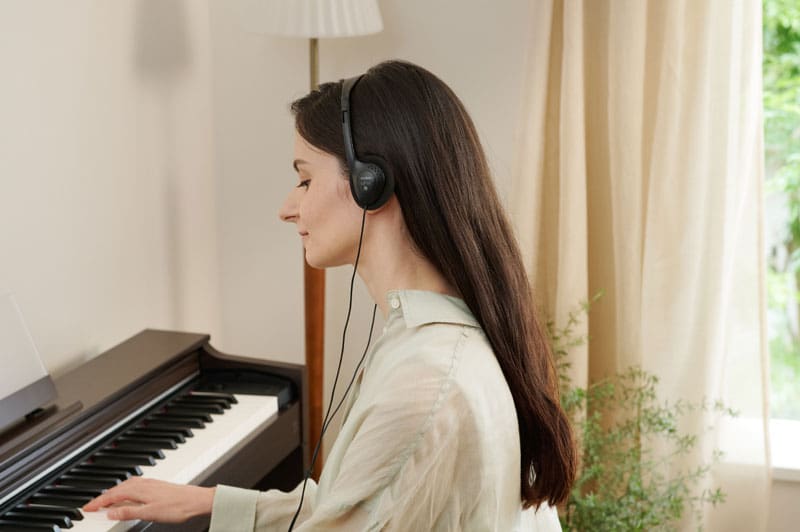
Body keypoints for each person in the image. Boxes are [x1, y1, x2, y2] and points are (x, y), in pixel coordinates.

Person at [83, 59, 576, 531]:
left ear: (370, 185)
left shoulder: (425, 384)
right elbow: (353, 506)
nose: (286, 208)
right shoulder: (428, 341)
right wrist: (208, 502)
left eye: (304, 179)